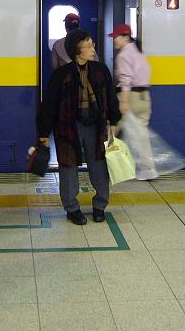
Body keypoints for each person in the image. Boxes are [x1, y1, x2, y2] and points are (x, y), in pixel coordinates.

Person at [37, 29, 121, 225]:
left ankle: (100, 205)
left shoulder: (101, 70)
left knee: (99, 166)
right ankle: (72, 208)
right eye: (88, 45)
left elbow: (110, 97)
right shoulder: (61, 75)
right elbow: (49, 105)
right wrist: (43, 132)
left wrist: (114, 121)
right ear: (76, 50)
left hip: (96, 126)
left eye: (92, 44)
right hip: (67, 127)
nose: (93, 48)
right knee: (68, 167)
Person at [110, 23, 156, 180]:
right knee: (141, 134)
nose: (114, 40)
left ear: (125, 37)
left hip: (131, 98)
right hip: (145, 98)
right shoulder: (139, 54)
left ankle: (108, 163)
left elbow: (126, 81)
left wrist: (123, 102)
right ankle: (147, 168)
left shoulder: (123, 56)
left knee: (113, 127)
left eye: (116, 37)